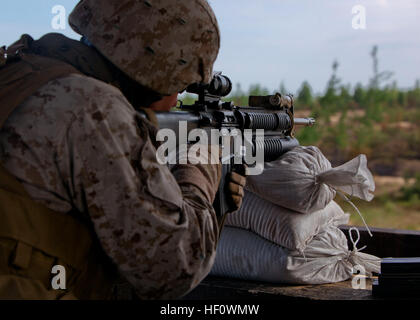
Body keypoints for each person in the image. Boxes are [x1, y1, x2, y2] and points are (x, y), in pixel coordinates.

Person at [0, 0, 246, 300]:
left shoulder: (22, 70)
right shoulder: (94, 108)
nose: (178, 97)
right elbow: (172, 268)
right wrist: (199, 177)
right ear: (157, 76)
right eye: (179, 87)